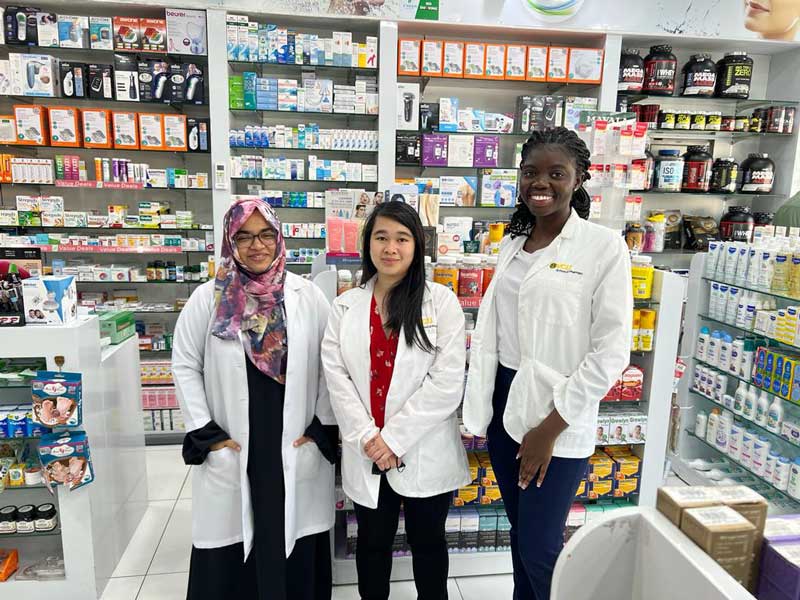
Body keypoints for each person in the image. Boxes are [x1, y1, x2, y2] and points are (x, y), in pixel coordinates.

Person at [463, 127, 632, 600]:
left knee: (540, 546)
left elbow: (611, 352)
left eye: (556, 173)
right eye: (531, 172)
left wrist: (549, 428)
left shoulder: (602, 247)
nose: (542, 182)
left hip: (557, 412)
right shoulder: (512, 244)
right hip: (503, 401)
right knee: (520, 536)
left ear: (578, 179)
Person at [172, 197, 336, 600]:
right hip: (235, 438)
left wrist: (320, 426)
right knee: (234, 537)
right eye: (243, 236)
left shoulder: (308, 296)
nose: (256, 245)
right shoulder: (207, 299)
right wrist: (207, 434)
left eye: (265, 234)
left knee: (290, 529)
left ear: (279, 237)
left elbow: (333, 365)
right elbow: (184, 364)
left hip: (294, 436)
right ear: (229, 242)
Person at [322, 201, 470, 600]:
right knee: (372, 544)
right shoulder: (345, 306)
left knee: (428, 544)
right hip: (367, 447)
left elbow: (447, 382)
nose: (391, 247)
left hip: (422, 447)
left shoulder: (441, 302)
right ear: (367, 244)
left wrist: (394, 440)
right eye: (381, 237)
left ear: (416, 246)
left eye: (402, 238)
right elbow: (337, 378)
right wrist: (370, 437)